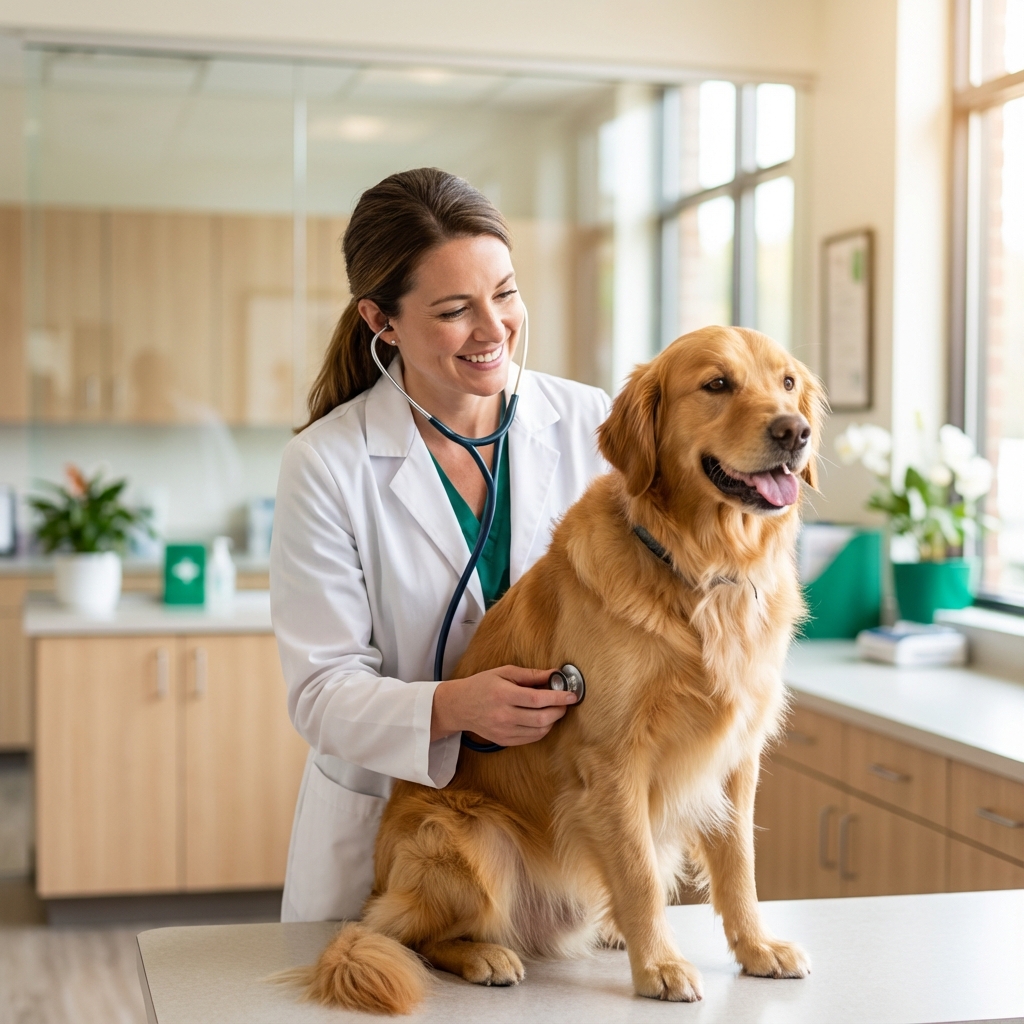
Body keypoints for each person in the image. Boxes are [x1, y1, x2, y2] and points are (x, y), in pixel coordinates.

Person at [270, 168, 611, 922]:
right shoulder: (328, 463)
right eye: (455, 310)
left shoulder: (591, 424)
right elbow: (321, 693)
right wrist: (453, 706)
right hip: (403, 836)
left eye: (506, 293)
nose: (494, 329)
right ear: (380, 319)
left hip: (559, 835)